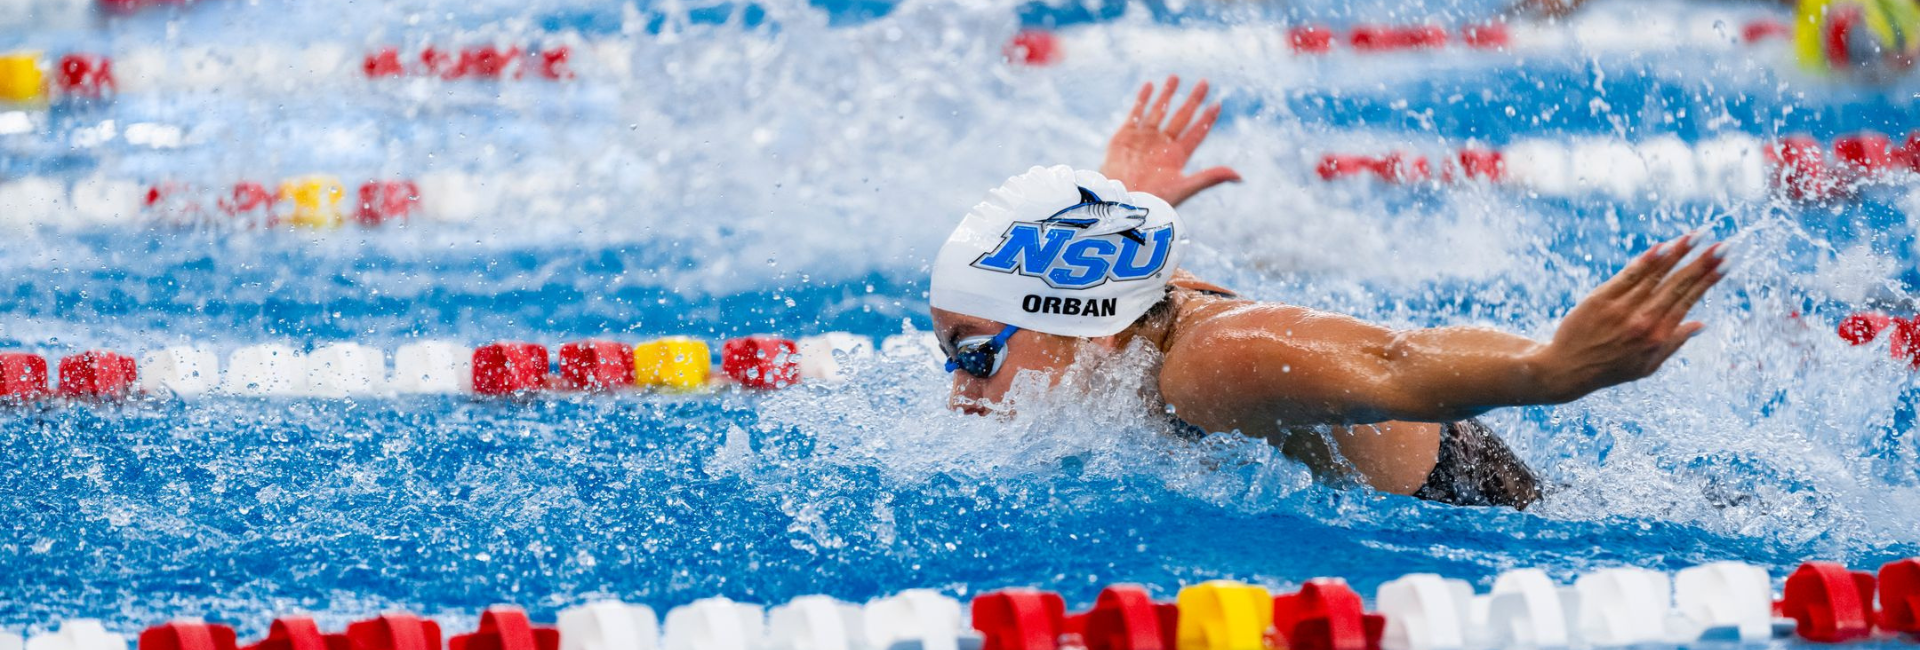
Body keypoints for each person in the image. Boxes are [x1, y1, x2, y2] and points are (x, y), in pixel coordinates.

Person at [927, 77, 1729, 510]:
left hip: (1478, 518)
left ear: (1086, 327)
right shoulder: (1116, 326)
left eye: (975, 353)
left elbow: (1394, 359)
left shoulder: (1213, 360)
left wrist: (1549, 369)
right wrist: (1121, 202)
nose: (961, 388)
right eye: (951, 359)